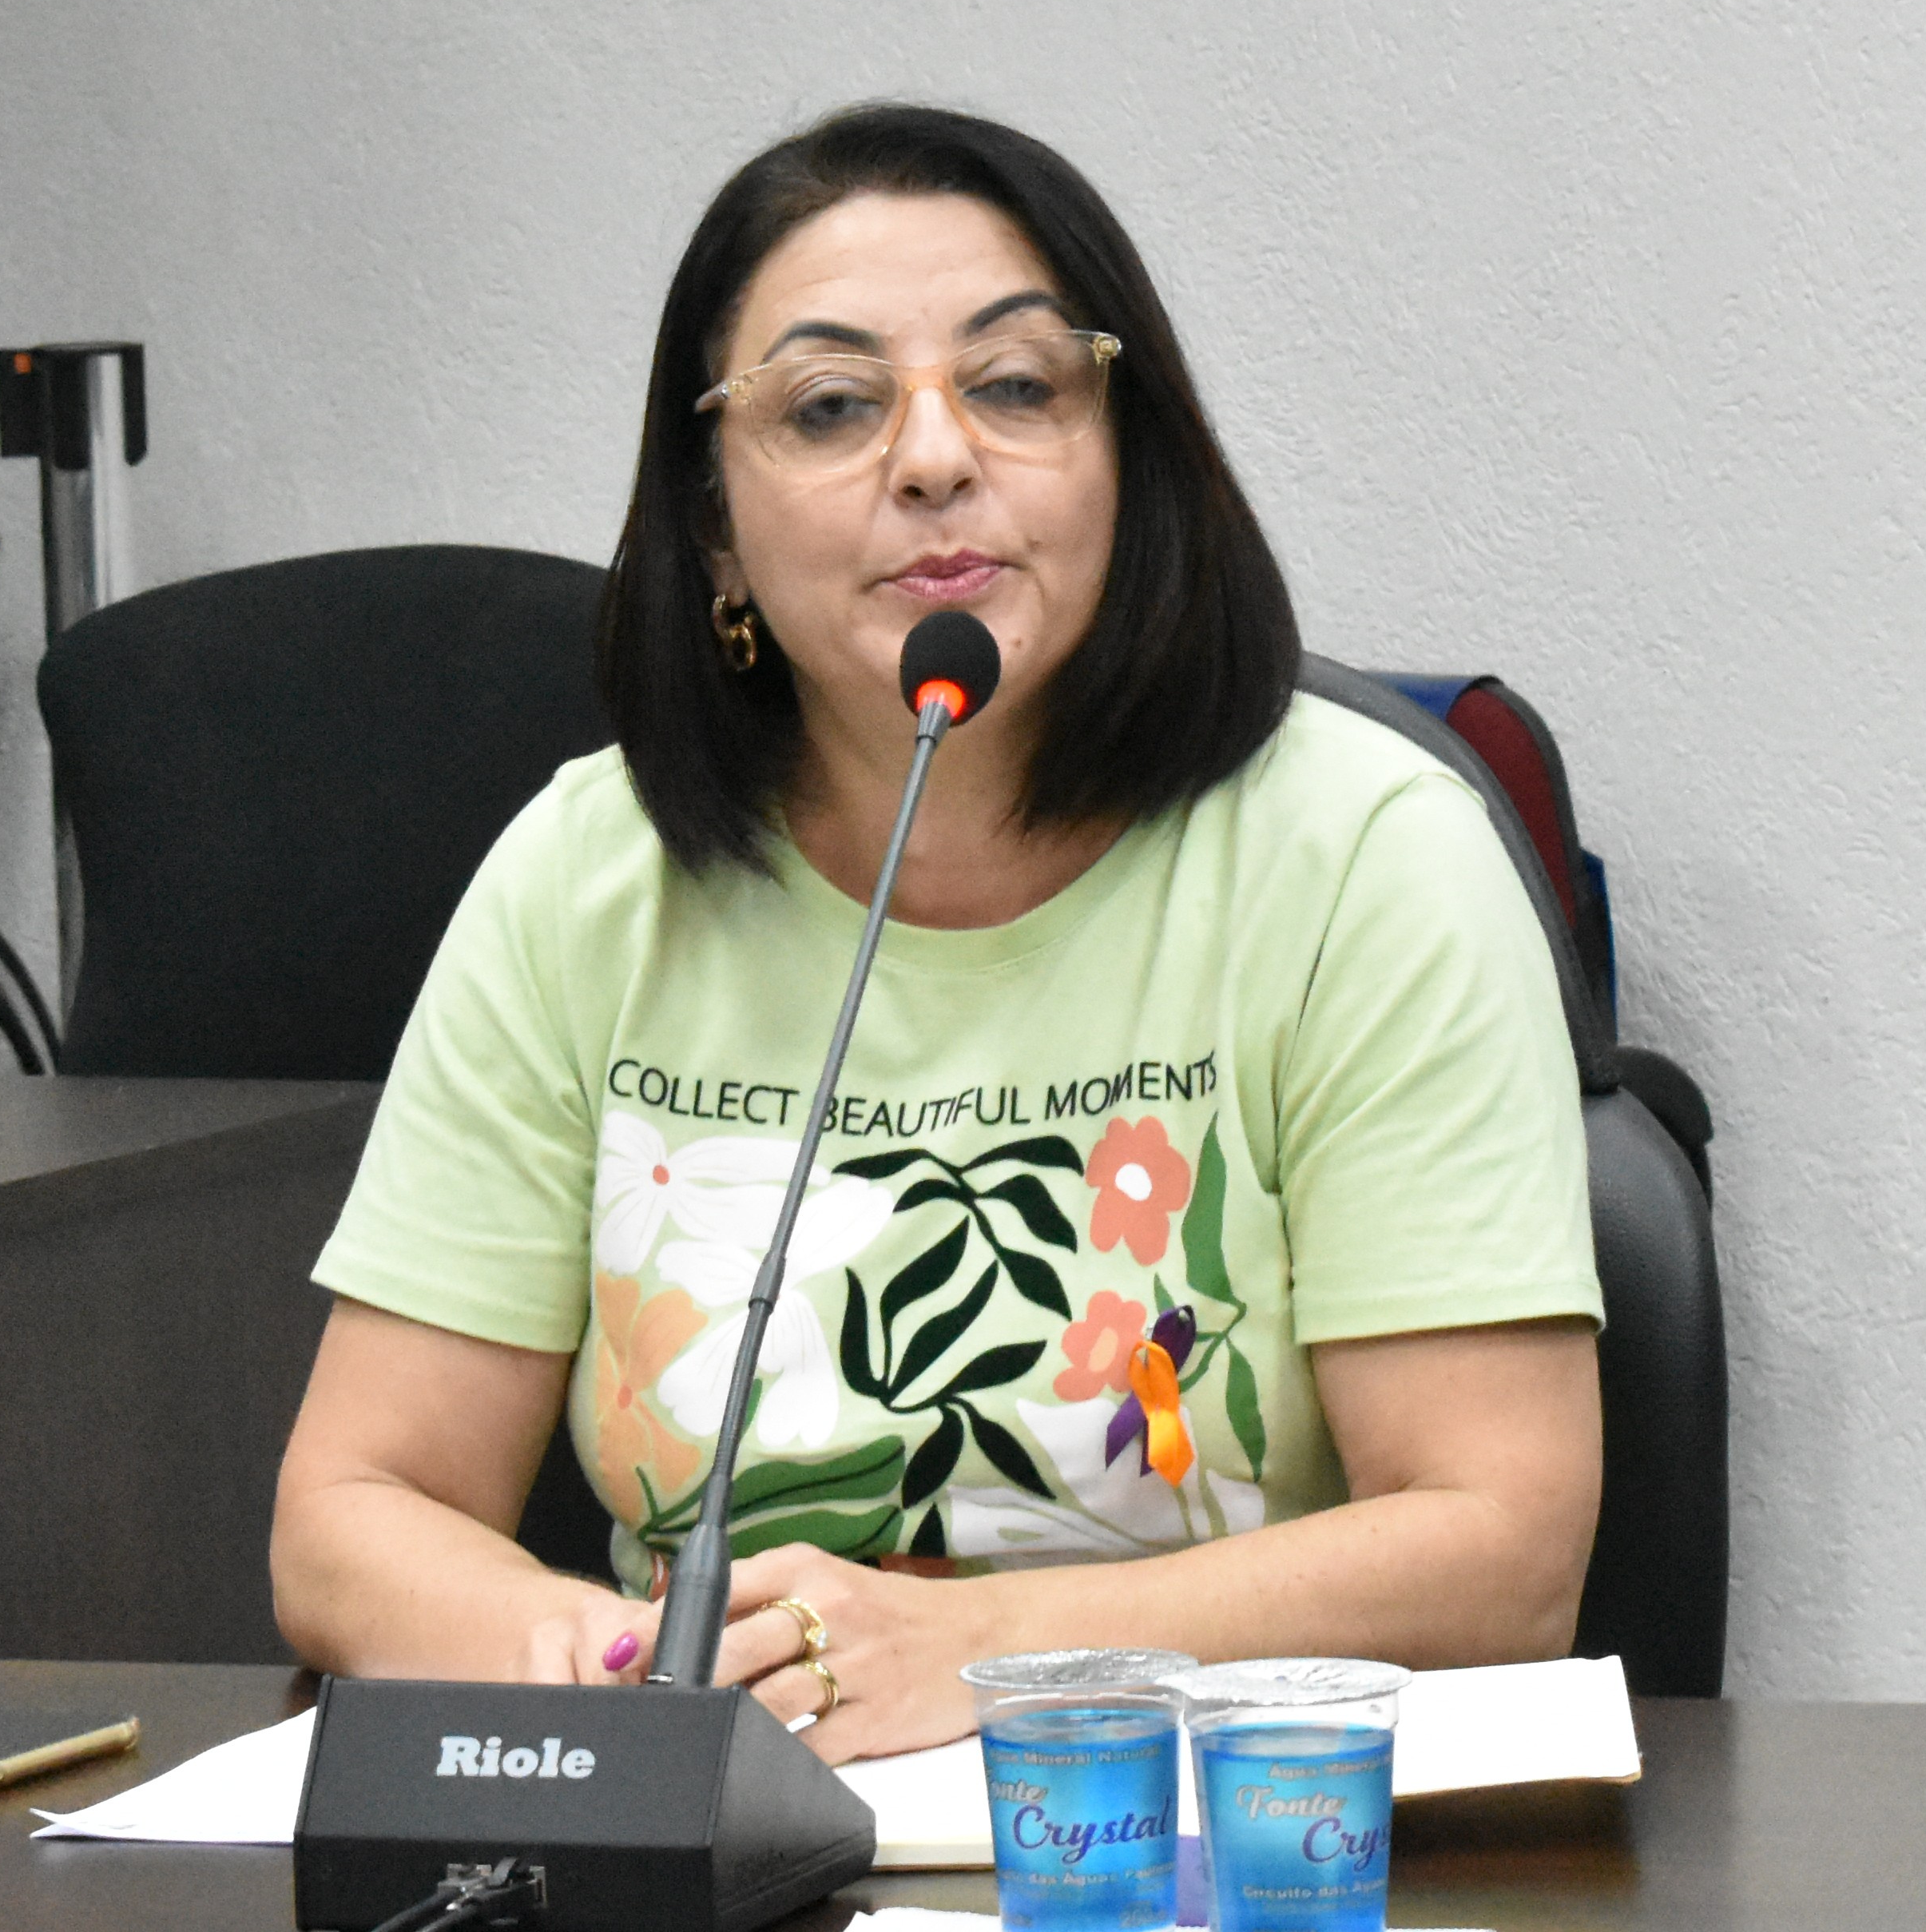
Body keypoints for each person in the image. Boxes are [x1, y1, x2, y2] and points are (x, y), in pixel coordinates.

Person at [269, 103, 1606, 1762]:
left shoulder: (1364, 860)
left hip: (1217, 1837)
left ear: (1131, 460)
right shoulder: (587, 877)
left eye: (1018, 385)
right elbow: (352, 1513)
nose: (933, 458)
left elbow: (1501, 1547)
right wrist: (623, 1676)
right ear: (711, 525)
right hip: (732, 1827)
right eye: (830, 405)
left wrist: (976, 1652)